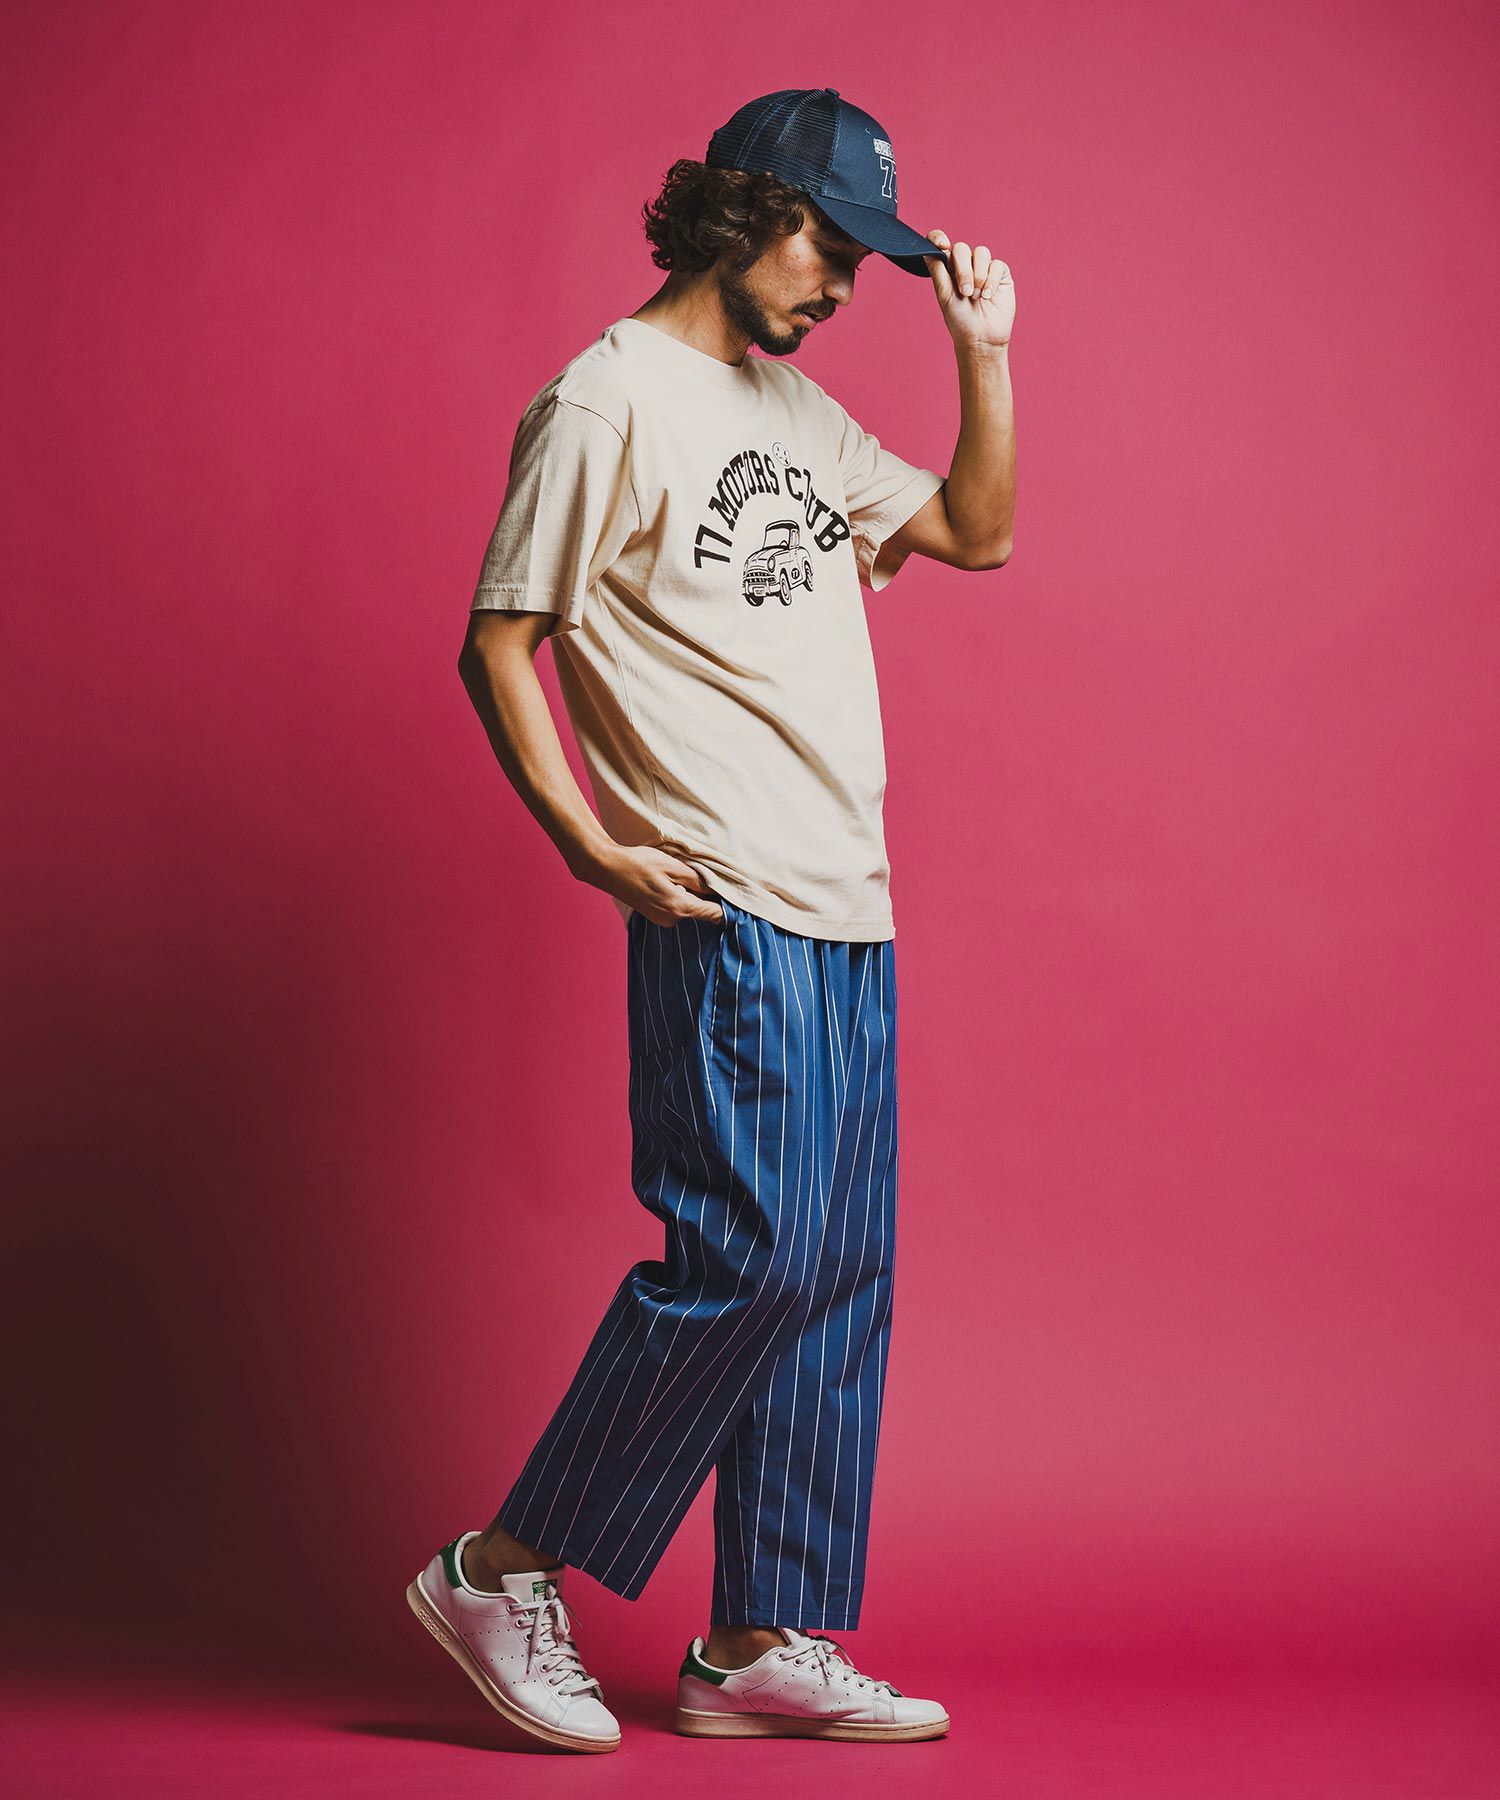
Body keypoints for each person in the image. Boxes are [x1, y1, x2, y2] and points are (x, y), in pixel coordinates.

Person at [407, 86, 1016, 1753]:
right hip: (722, 890)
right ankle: (495, 1569)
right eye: (831, 247)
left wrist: (981, 354)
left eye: (865, 264)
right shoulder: (603, 401)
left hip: (847, 899)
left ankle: (752, 1644)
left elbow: (975, 533)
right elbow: (500, 638)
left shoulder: (798, 408)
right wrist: (588, 844)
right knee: (754, 1255)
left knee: (837, 1276)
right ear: (744, 214)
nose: (844, 286)